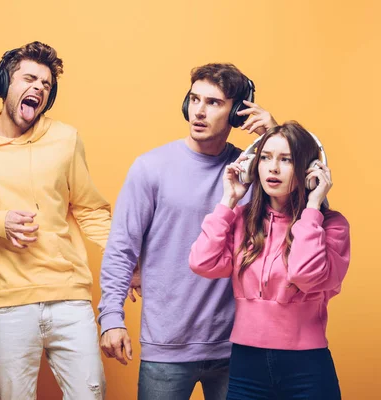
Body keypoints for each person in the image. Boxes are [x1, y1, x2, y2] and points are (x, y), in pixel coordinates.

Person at [98, 63, 276, 400]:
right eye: (194, 99)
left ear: (237, 113)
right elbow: (122, 248)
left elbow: (307, 206)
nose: (199, 110)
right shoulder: (150, 167)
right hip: (166, 347)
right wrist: (111, 318)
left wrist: (276, 135)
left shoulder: (252, 171)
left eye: (213, 102)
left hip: (237, 346)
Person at [0, 41, 110, 399]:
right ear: (6, 81)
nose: (38, 87)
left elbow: (90, 209)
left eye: (46, 85)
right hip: (6, 302)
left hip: (69, 297)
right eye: (29, 78)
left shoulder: (66, 139)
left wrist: (129, 262)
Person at [189, 121, 349, 399]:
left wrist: (312, 208)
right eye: (265, 158)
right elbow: (202, 262)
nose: (273, 168)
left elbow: (305, 275)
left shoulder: (332, 226)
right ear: (253, 166)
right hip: (246, 366)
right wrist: (228, 201)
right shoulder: (241, 219)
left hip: (307, 367)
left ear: (311, 171)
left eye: (286, 160)